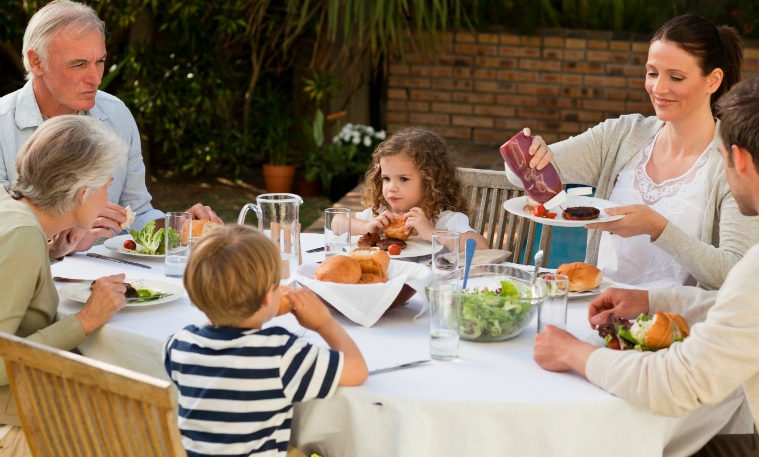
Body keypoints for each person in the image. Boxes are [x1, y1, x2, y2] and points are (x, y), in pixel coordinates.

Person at [534, 76, 759, 456]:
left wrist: (573, 354)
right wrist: (653, 300)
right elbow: (753, 304)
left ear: (740, 159)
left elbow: (674, 384)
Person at [516, 14, 759, 290]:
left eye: (676, 77)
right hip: (599, 311)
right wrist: (529, 153)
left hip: (673, 324)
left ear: (713, 80)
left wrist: (658, 228)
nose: (658, 88)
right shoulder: (622, 135)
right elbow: (518, 175)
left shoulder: (734, 162)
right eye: (652, 73)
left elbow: (737, 271)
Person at [0, 0, 221, 259]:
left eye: (100, 61)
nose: (95, 78)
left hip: (115, 282)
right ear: (36, 61)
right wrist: (54, 246)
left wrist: (179, 226)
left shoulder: (116, 114)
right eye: (79, 64)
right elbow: (6, 235)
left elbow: (137, 214)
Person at [164, 224, 368, 457]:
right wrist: (324, 323)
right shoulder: (279, 353)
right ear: (266, 299)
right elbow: (357, 370)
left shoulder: (178, 345)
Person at [0, 116, 132, 450]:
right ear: (82, 193)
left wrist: (51, 251)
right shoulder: (24, 236)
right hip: (15, 424)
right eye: (106, 187)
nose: (108, 199)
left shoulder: (10, 206)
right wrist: (85, 321)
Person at [350, 127, 489, 251]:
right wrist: (367, 227)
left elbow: (481, 246)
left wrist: (431, 232)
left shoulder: (445, 220)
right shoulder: (383, 214)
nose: (391, 188)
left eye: (403, 179)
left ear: (430, 181)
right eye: (386, 178)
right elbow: (337, 221)